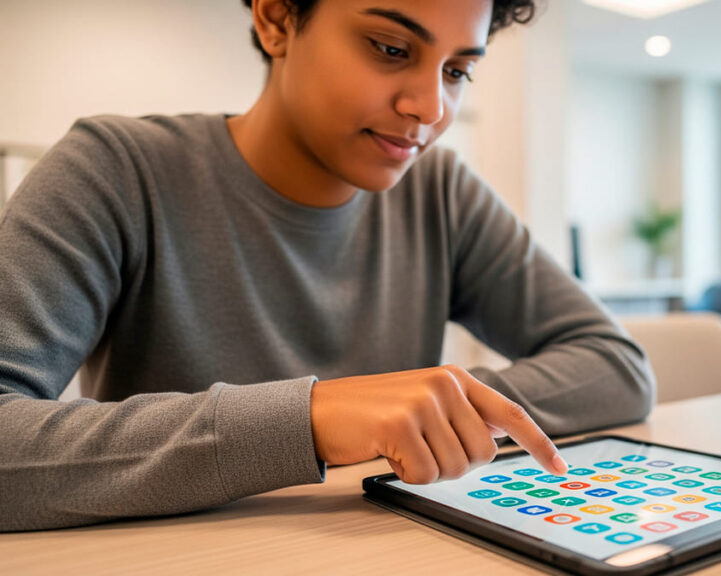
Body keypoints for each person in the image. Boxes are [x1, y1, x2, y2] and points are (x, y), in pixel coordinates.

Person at [0, 0, 654, 532]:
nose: (430, 108)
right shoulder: (117, 169)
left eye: (457, 70)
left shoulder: (442, 193)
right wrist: (309, 419)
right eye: (392, 49)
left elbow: (613, 365)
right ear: (276, 18)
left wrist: (436, 410)